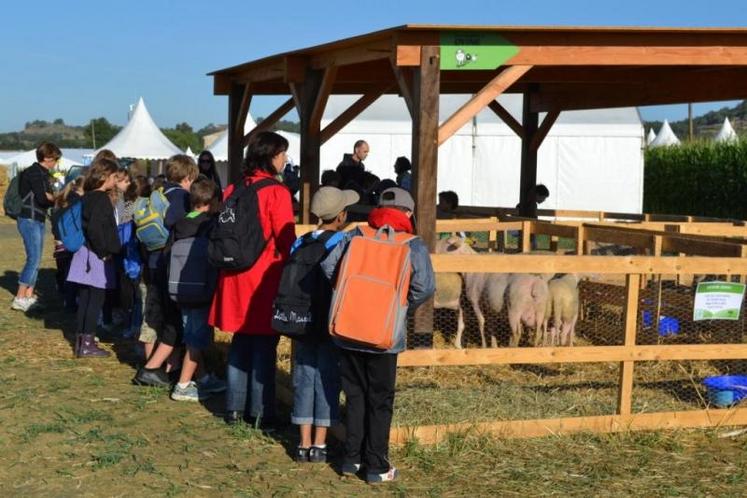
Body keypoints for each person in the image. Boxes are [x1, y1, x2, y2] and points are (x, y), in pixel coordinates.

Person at [320, 187, 435, 483]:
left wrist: (349, 295)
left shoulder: (356, 235)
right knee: (380, 399)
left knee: (355, 394)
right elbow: (425, 287)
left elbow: (329, 266)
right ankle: (376, 465)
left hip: (348, 328)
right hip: (384, 334)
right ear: (408, 213)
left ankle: (351, 459)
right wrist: (399, 307)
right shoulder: (412, 244)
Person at [209, 131, 296, 429]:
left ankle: (233, 408)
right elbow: (285, 238)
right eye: (282, 153)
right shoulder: (277, 192)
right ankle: (261, 412)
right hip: (263, 277)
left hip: (233, 275)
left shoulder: (235, 187)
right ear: (271, 156)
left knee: (240, 343)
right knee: (264, 346)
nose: (285, 158)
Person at [291, 186, 359, 463]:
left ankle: (302, 443)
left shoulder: (301, 241)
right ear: (341, 216)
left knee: (303, 379)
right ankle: (320, 444)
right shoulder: (343, 242)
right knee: (328, 379)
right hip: (329, 320)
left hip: (301, 321)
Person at [133, 155, 199, 387]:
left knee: (155, 318)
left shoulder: (158, 194)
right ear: (188, 177)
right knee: (173, 321)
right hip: (168, 264)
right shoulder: (181, 197)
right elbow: (177, 223)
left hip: (151, 261)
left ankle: (163, 367)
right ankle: (156, 368)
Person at [170, 178, 226, 402]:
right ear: (211, 202)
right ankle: (183, 385)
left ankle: (202, 377)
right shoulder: (210, 225)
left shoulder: (180, 223)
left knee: (191, 333)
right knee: (196, 337)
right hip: (202, 289)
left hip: (180, 288)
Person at [65, 157, 121, 358]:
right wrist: (104, 252)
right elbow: (96, 228)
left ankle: (81, 341)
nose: (115, 181)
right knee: (95, 299)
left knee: (86, 298)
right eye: (114, 176)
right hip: (95, 255)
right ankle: (87, 342)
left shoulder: (86, 197)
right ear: (105, 176)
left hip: (84, 253)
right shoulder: (101, 199)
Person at [12, 142, 59, 312]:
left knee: (36, 258)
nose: (56, 163)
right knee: (33, 258)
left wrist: (50, 195)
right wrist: (56, 198)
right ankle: (20, 297)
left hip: (36, 218)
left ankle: (29, 295)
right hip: (29, 219)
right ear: (47, 158)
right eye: (54, 159)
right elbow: (41, 197)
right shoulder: (35, 173)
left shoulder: (41, 173)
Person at [50, 177, 84, 311]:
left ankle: (64, 293)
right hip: (71, 240)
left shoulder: (61, 199)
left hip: (59, 241)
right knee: (72, 272)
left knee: (64, 270)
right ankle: (71, 301)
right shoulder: (77, 201)